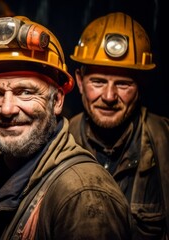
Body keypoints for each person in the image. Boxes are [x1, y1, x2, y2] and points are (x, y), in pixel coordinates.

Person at [0, 15, 133, 239]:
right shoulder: (7, 172)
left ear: (57, 101)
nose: (7, 109)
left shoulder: (83, 195)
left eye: (25, 92)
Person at [69, 12, 169, 239]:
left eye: (123, 84)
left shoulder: (164, 142)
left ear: (141, 86)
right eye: (98, 81)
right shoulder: (56, 145)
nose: (109, 96)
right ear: (79, 82)